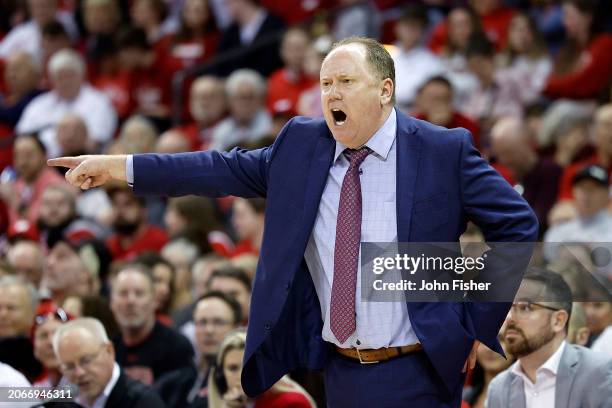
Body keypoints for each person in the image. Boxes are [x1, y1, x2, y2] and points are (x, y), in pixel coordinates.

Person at [49, 37, 537, 406]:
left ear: (385, 90)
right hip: (337, 369)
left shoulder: (440, 149)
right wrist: (120, 167)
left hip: (420, 367)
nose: (331, 94)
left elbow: (516, 224)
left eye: (346, 82)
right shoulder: (302, 144)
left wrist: (473, 319)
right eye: (325, 84)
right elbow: (218, 169)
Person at [486, 268, 612, 407]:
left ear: (558, 320)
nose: (509, 318)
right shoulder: (499, 389)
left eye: (525, 307)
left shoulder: (599, 373)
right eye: (506, 308)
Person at [110, 265, 194, 385]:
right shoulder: (109, 349)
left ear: (155, 300)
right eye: (123, 294)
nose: (130, 301)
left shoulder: (177, 347)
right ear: (111, 302)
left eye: (139, 294)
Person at [53, 317, 165, 407]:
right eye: (69, 366)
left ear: (109, 350)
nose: (79, 373)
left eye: (86, 361)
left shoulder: (143, 402)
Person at [155, 291, 242, 407]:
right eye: (202, 322)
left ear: (236, 328)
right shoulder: (174, 383)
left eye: (219, 322)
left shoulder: (239, 381)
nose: (209, 330)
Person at [207, 330, 315, 408]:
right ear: (220, 375)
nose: (242, 375)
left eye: (249, 366)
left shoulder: (292, 403)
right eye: (233, 368)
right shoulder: (231, 404)